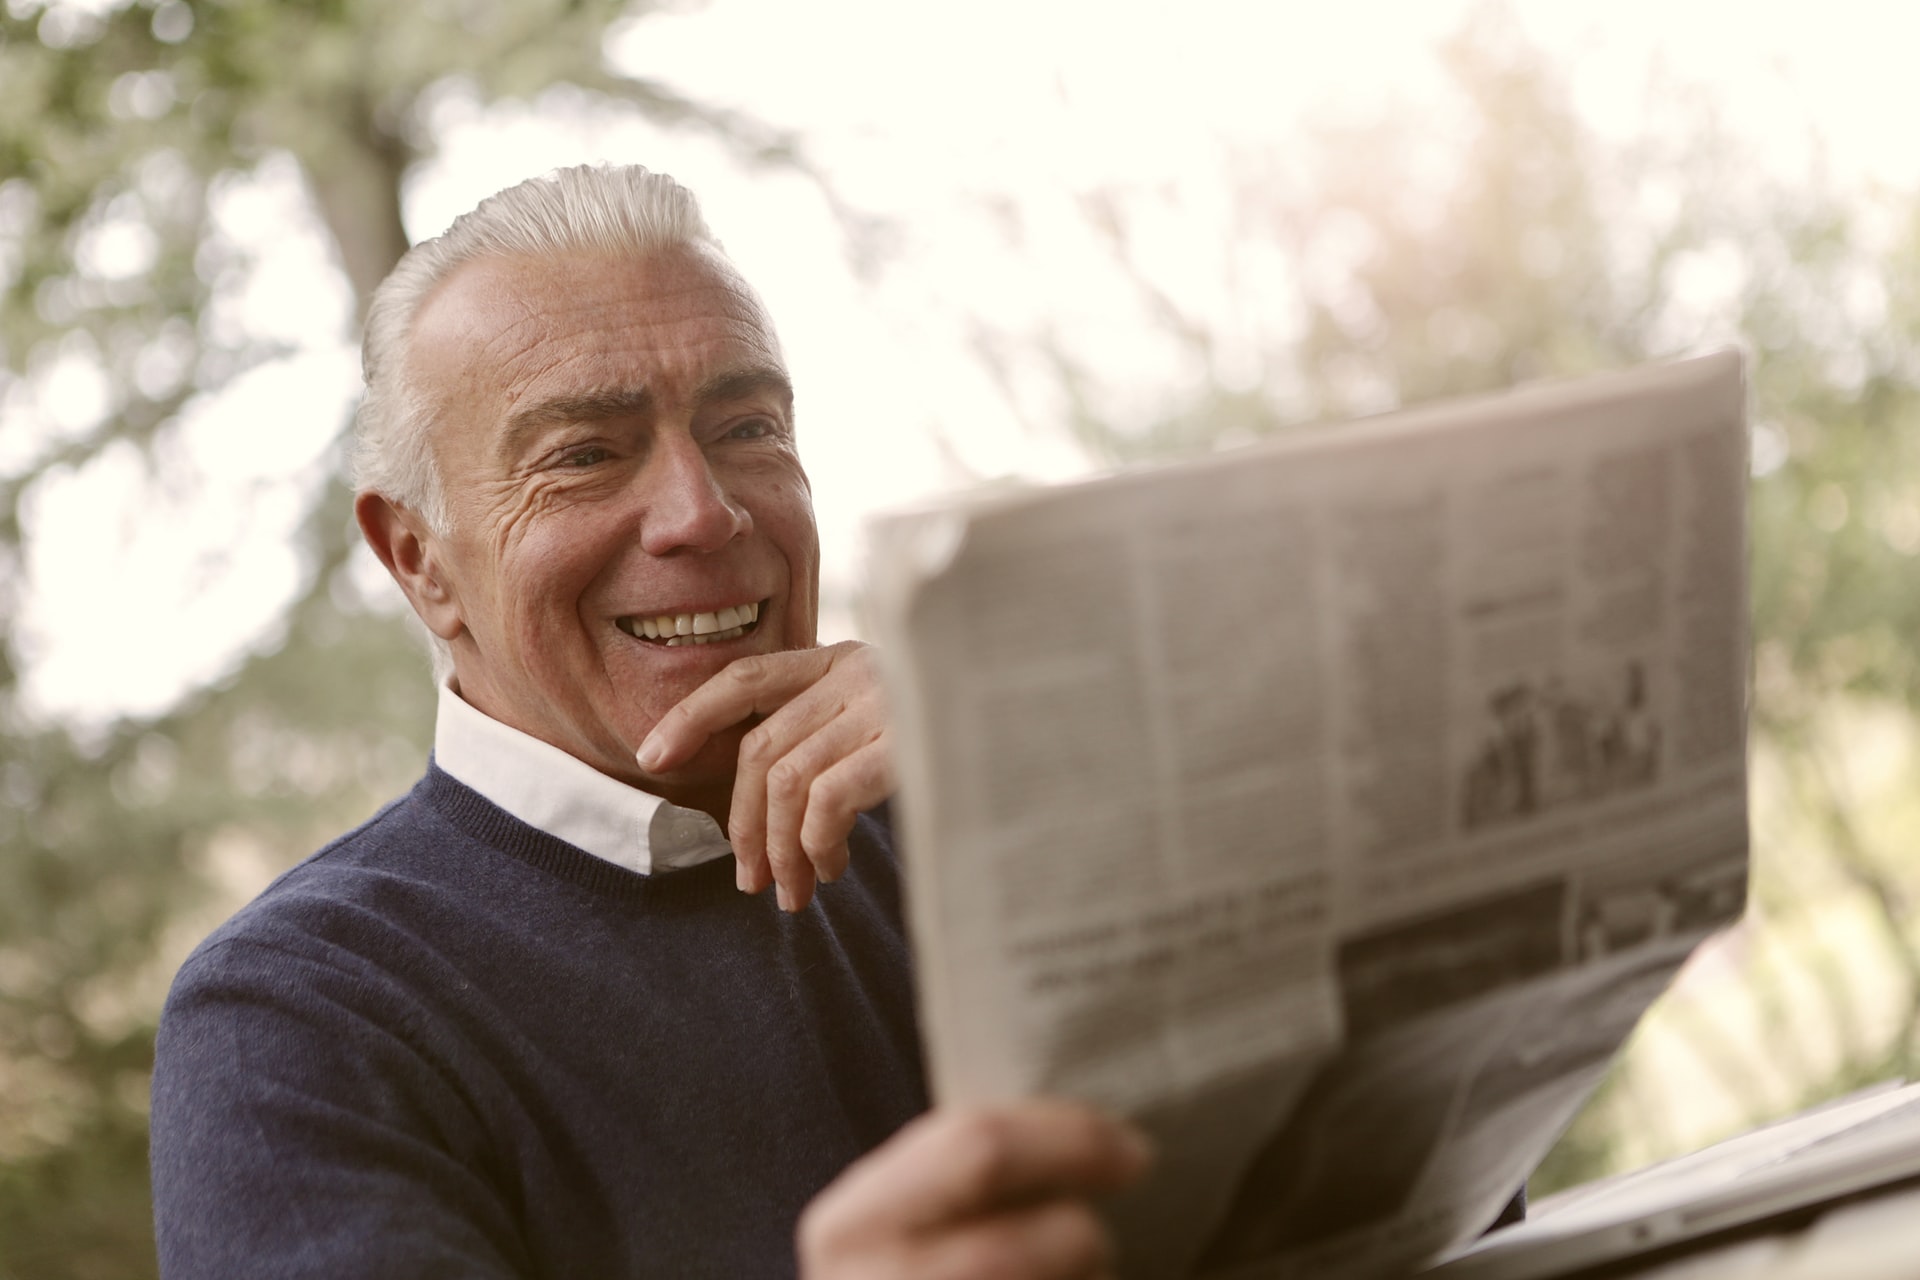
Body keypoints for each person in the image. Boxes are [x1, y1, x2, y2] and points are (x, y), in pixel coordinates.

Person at [148, 164, 1149, 1279]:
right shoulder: (299, 1014)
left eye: (747, 426)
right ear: (420, 560)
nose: (703, 510)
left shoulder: (967, 811)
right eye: (584, 453)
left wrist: (1026, 756)